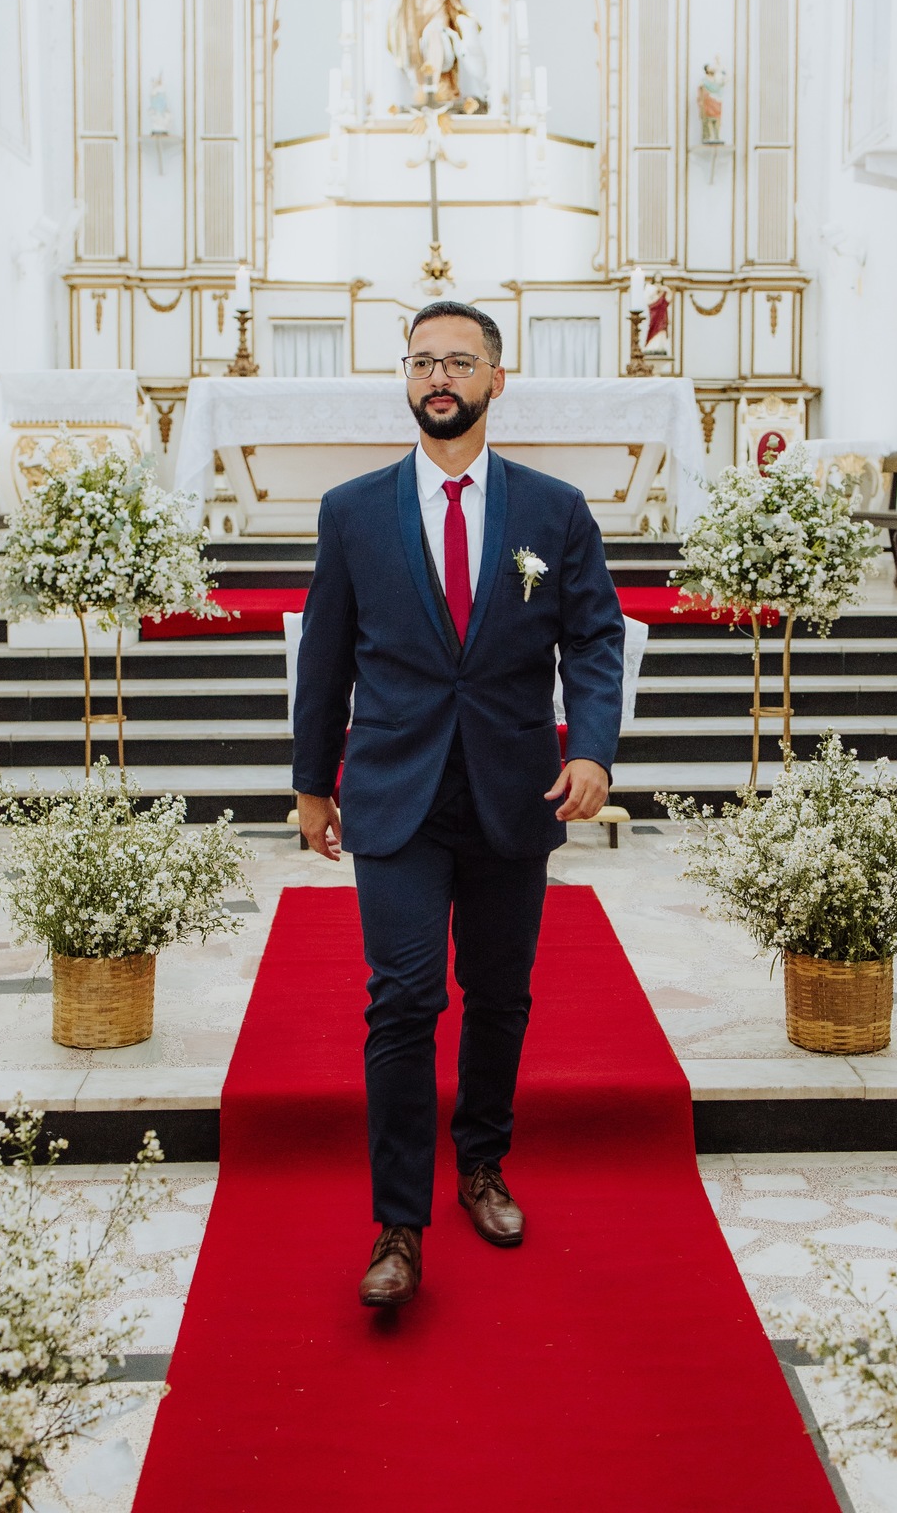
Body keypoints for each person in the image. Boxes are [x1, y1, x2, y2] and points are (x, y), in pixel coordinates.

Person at [293, 300, 625, 1308]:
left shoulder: (553, 510)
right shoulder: (352, 510)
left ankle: (481, 1163)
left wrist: (597, 753)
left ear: (497, 378)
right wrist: (313, 783)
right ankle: (399, 1224)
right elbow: (326, 655)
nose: (442, 377)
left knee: (499, 992)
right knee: (401, 999)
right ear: (406, 378)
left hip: (511, 786)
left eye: (461, 362)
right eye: (425, 362)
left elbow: (596, 638)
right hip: (394, 790)